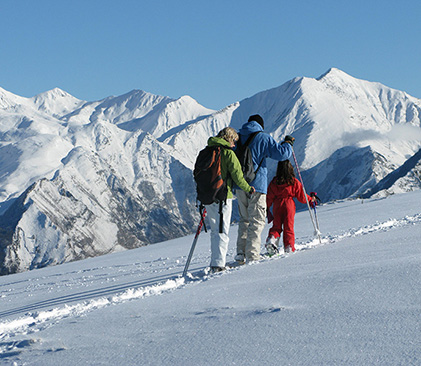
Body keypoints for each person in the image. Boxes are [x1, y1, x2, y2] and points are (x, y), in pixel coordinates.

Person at [234, 114, 294, 263]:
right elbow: (282, 154)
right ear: (260, 125)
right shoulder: (263, 138)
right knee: (257, 221)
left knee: (244, 219)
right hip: (257, 186)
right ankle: (252, 256)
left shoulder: (237, 138)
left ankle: (240, 253)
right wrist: (288, 143)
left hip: (240, 186)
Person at [205, 127, 255, 273]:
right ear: (229, 139)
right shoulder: (227, 153)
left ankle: (216, 261)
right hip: (222, 196)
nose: (234, 145)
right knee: (222, 230)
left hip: (208, 196)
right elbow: (238, 177)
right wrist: (248, 188)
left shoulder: (208, 151)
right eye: (234, 141)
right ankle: (218, 264)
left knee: (215, 230)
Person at [265, 160, 315, 254]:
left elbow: (269, 197)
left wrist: (266, 207)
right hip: (289, 205)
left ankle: (272, 239)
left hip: (277, 205)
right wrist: (310, 199)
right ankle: (289, 247)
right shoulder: (293, 181)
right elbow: (302, 196)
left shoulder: (274, 182)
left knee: (277, 226)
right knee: (289, 227)